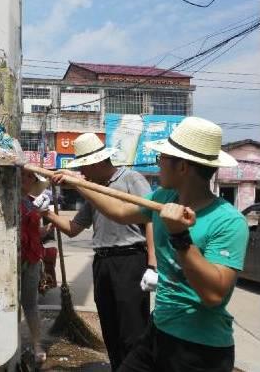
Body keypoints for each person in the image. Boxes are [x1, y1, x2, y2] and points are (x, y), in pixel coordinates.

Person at [52, 117, 249, 372]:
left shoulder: (228, 221)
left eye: (162, 159)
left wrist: (180, 237)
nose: (158, 165)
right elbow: (121, 210)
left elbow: (213, 295)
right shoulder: (163, 198)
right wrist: (78, 183)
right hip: (159, 331)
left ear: (183, 167)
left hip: (199, 347)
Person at [35, 133, 156, 371]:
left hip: (130, 260)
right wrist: (46, 213)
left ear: (98, 162)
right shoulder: (93, 190)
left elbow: (150, 217)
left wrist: (152, 264)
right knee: (110, 328)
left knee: (132, 329)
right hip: (102, 263)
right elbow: (73, 228)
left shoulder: (131, 179)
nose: (83, 173)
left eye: (84, 167)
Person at [20, 170, 51, 363]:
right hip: (12, 260)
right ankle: (9, 343)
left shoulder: (31, 201)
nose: (25, 179)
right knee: (11, 305)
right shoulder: (8, 197)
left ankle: (37, 344)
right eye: (22, 175)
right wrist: (35, 211)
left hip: (31, 259)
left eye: (30, 176)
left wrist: (46, 229)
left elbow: (33, 232)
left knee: (31, 304)